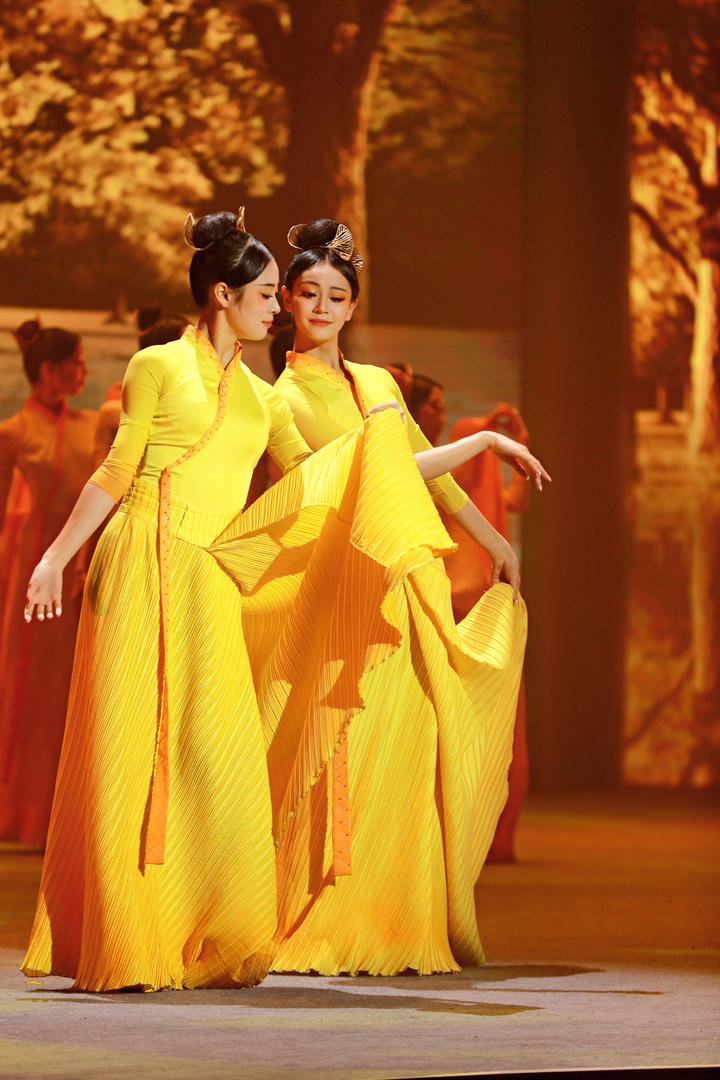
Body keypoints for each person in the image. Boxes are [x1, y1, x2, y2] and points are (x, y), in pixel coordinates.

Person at [20, 209, 505, 993]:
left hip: (213, 576)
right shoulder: (160, 366)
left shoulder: (257, 392)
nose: (284, 307)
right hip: (144, 556)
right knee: (130, 747)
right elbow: (117, 469)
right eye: (274, 292)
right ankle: (125, 941)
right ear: (223, 294)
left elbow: (337, 472)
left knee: (216, 760)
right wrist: (55, 556)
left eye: (293, 292)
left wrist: (475, 454)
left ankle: (189, 927)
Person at [269, 218, 549, 975]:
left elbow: (432, 475)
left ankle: (403, 918)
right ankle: (330, 914)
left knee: (411, 748)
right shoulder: (282, 398)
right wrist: (485, 441)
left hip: (411, 585)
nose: (322, 308)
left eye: (336, 296)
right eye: (308, 293)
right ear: (287, 300)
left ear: (353, 306)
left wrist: (494, 543)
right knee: (345, 744)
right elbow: (349, 483)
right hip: (345, 585)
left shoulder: (379, 383)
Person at [0, 325, 95, 845]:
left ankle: (70, 814)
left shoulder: (92, 425)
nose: (83, 371)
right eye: (76, 362)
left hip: (82, 564)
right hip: (32, 566)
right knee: (30, 684)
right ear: (49, 369)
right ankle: (26, 811)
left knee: (72, 687)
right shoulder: (14, 432)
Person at [443, 404, 533, 863]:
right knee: (490, 715)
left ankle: (489, 831)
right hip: (473, 593)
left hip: (474, 593)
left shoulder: (455, 473)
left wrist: (514, 443)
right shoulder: (449, 469)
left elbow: (515, 500)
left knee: (487, 715)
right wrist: (495, 437)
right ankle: (488, 832)